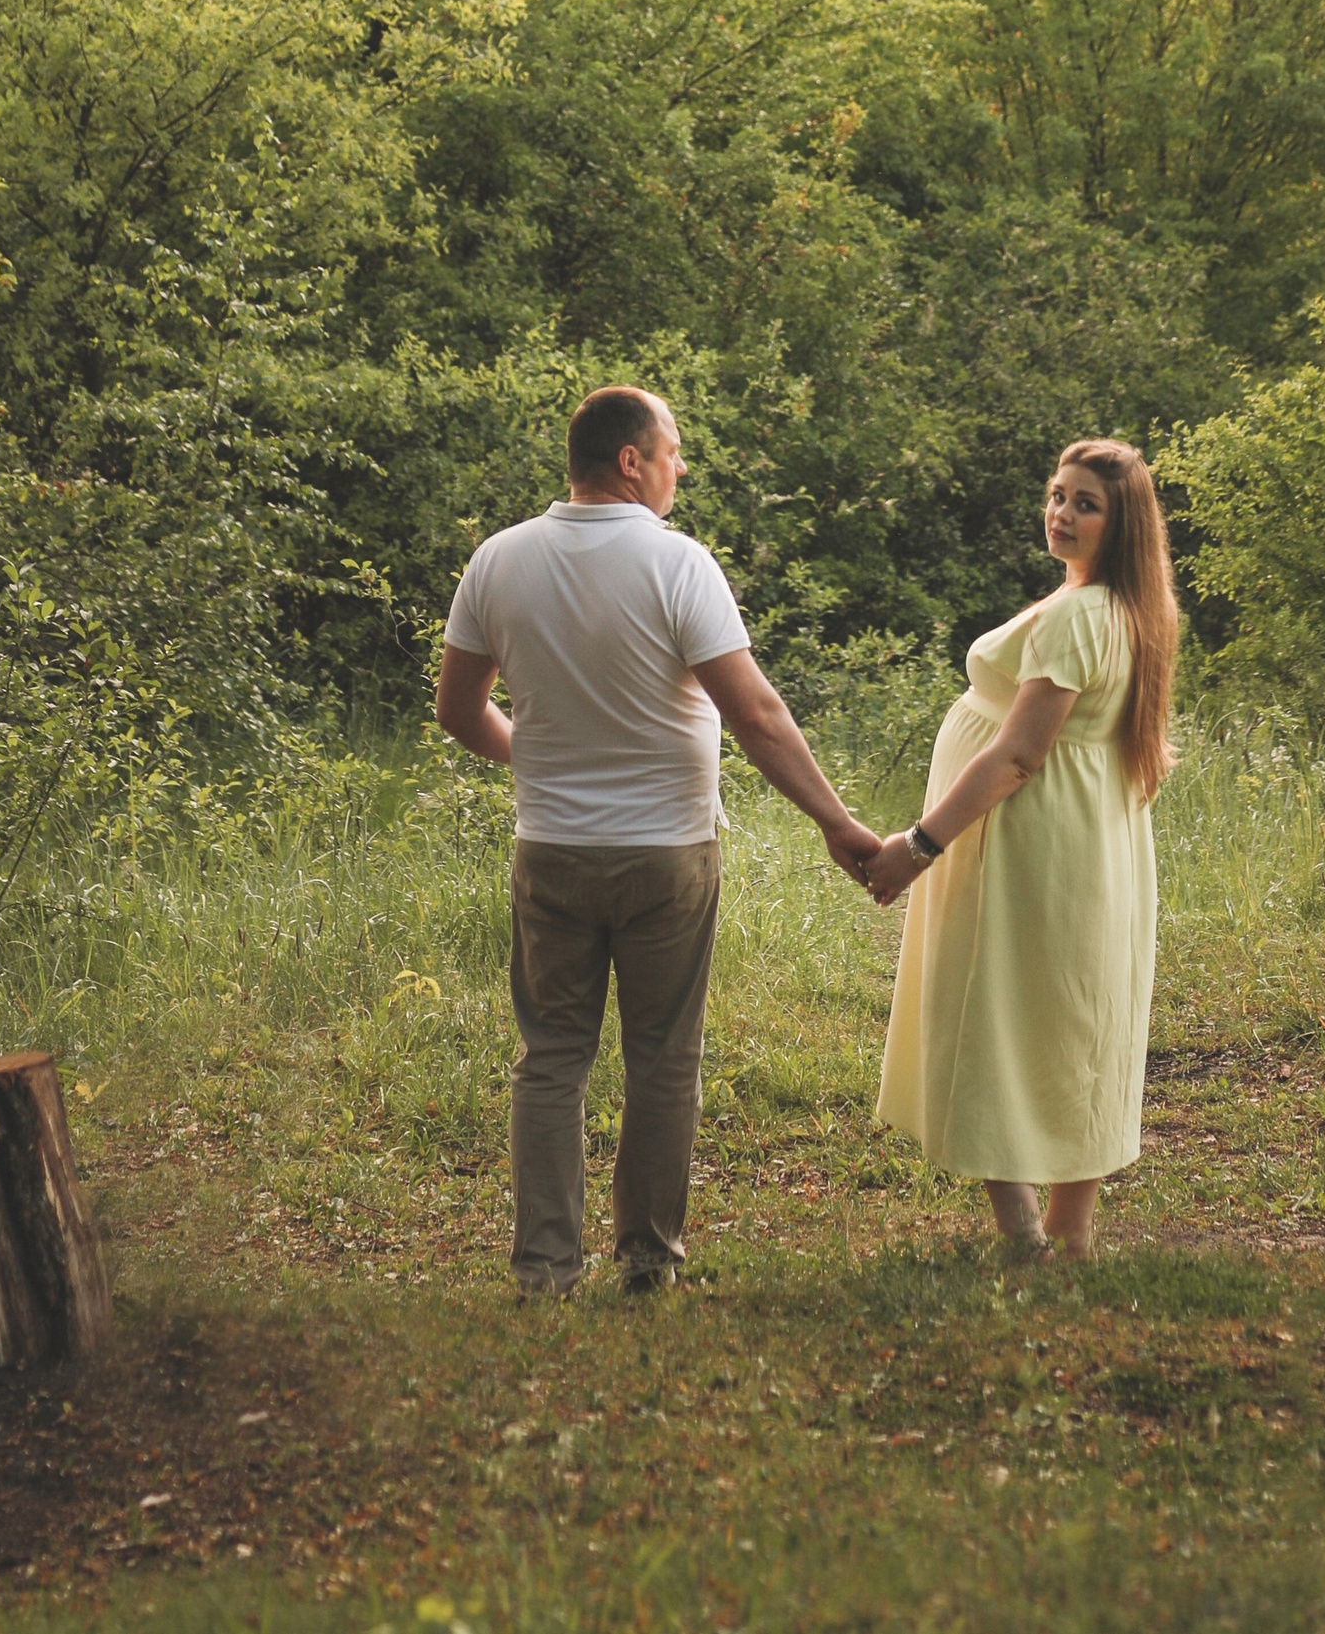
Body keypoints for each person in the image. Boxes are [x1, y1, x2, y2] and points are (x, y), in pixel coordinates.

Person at [436, 383, 879, 1296]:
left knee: (551, 1057)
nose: (682, 468)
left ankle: (545, 1269)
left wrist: (535, 759)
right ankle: (647, 1259)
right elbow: (753, 712)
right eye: (673, 452)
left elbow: (457, 707)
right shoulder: (678, 564)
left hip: (551, 849)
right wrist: (836, 821)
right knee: (662, 1058)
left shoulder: (497, 560)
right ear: (630, 460)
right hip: (668, 854)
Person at [866, 437, 1178, 1259]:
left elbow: (1017, 754)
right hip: (1086, 836)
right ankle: (1067, 1229)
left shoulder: (1081, 615)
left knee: (990, 1011)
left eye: (1085, 503)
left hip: (1024, 841)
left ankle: (1027, 1233)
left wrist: (920, 843)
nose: (1062, 513)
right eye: (1056, 495)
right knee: (1077, 1019)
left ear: (1123, 524)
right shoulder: (1122, 606)